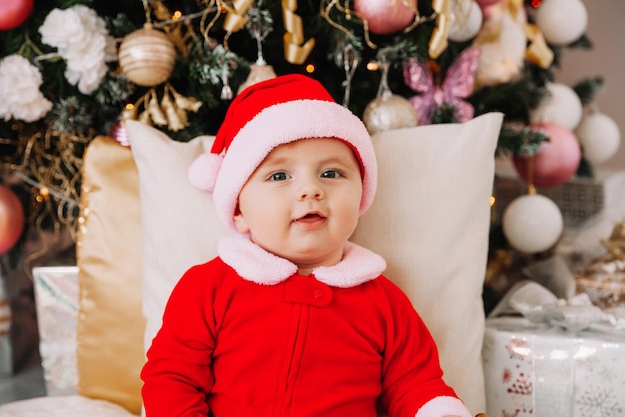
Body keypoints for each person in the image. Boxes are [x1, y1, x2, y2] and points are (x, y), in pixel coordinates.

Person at [140, 74, 472, 417]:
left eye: (331, 173)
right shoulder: (208, 288)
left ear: (361, 195)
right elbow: (171, 379)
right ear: (239, 211)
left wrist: (437, 410)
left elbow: (416, 383)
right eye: (279, 176)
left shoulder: (383, 303)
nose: (310, 190)